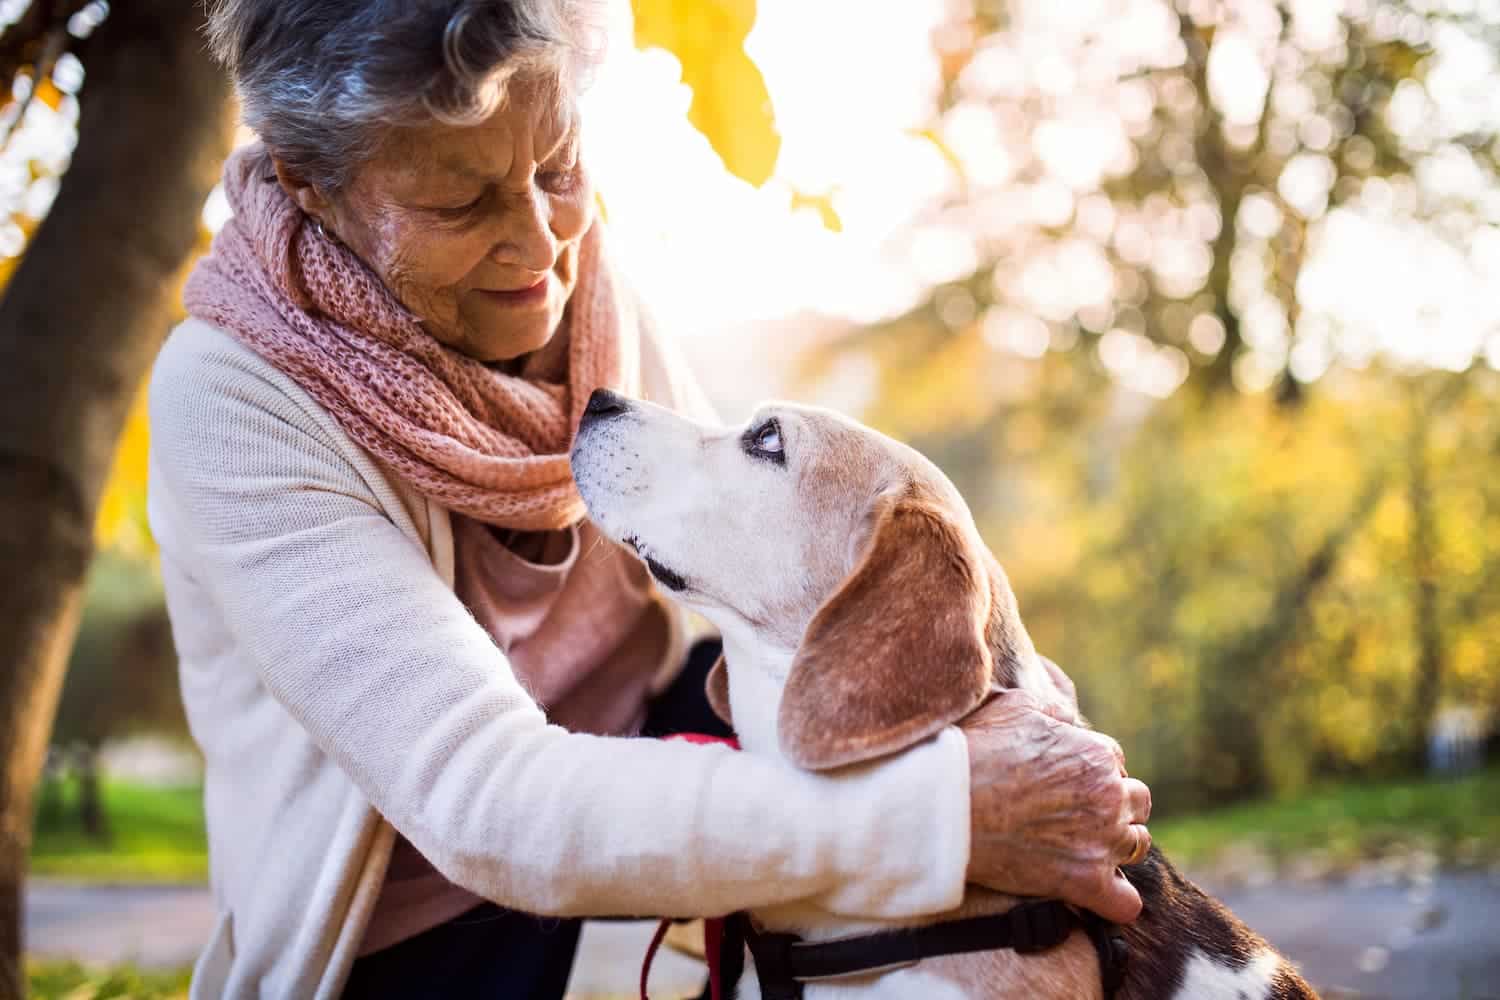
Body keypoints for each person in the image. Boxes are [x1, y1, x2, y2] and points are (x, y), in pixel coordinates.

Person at [146, 2, 1153, 997]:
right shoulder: (230, 398)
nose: (541, 246)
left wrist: (1017, 732)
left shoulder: (582, 281)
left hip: (665, 740)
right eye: (460, 204)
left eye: (557, 169)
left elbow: (748, 559)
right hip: (426, 926)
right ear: (308, 185)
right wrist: (941, 811)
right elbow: (485, 801)